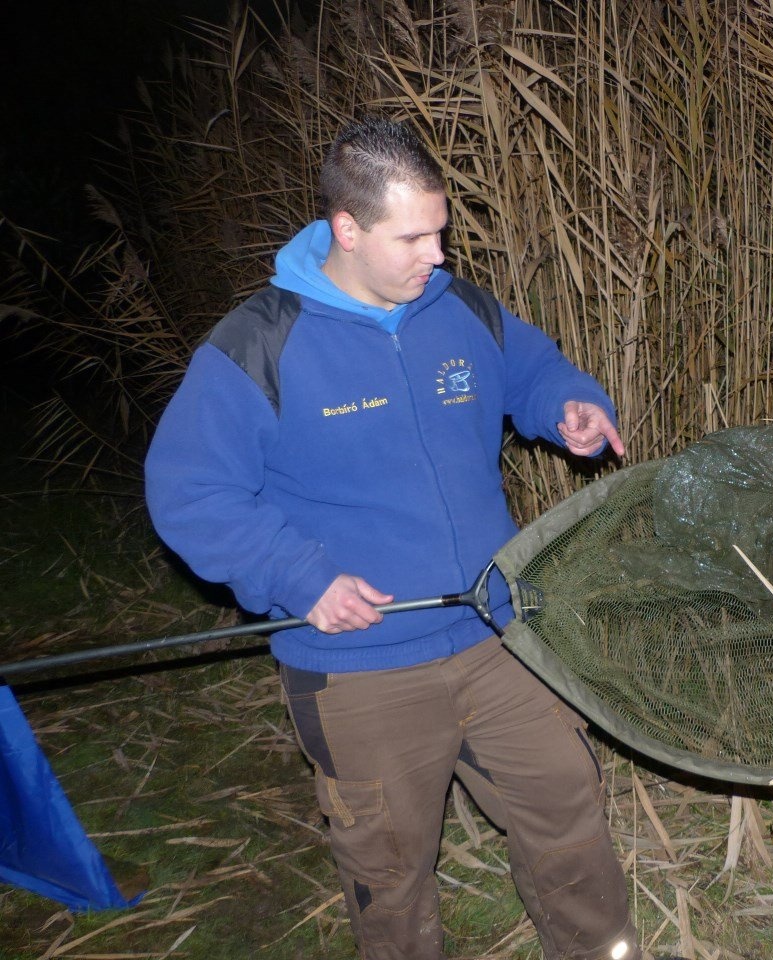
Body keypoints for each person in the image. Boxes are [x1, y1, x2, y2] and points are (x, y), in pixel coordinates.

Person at [145, 117, 639, 960]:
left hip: (497, 631)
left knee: (568, 811)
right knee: (392, 870)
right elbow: (188, 490)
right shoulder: (258, 347)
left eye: (441, 231)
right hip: (362, 664)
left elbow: (531, 370)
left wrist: (569, 405)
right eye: (413, 236)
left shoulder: (461, 311)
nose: (437, 255)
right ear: (347, 230)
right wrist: (298, 578)